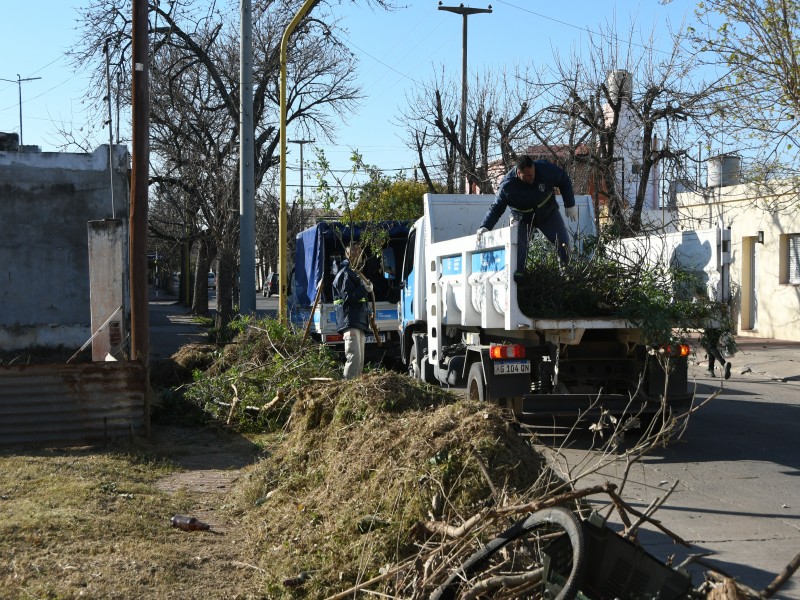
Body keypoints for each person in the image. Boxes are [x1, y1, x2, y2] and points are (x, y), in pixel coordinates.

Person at [477, 155, 578, 275]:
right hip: (522, 218)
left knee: (563, 242)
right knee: (518, 249)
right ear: (519, 173)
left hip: (548, 213)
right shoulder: (507, 186)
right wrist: (485, 226)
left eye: (533, 173)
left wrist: (570, 204)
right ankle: (518, 278)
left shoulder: (545, 169)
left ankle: (566, 273)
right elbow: (496, 208)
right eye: (528, 176)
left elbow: (564, 179)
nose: (533, 177)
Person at [332, 243, 373, 379]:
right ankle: (348, 387)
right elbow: (349, 297)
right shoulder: (345, 273)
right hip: (350, 321)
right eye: (357, 252)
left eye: (360, 251)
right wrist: (364, 289)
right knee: (354, 358)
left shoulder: (354, 272)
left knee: (359, 360)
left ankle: (356, 388)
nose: (360, 254)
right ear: (348, 254)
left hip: (358, 321)